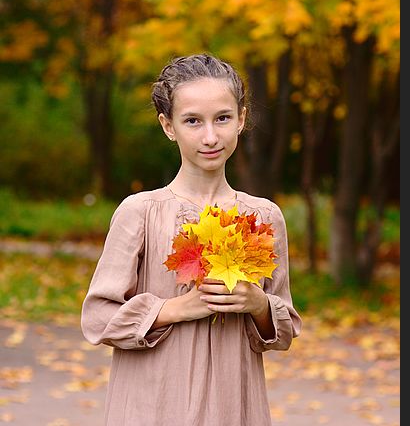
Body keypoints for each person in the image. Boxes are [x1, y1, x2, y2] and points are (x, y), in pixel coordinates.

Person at [81, 53, 302, 426]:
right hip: (154, 404)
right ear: (169, 126)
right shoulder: (141, 213)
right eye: (193, 121)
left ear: (241, 119)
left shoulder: (264, 217)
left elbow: (284, 329)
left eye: (222, 118)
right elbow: (99, 319)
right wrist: (177, 309)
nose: (210, 136)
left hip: (234, 404)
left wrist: (258, 303)